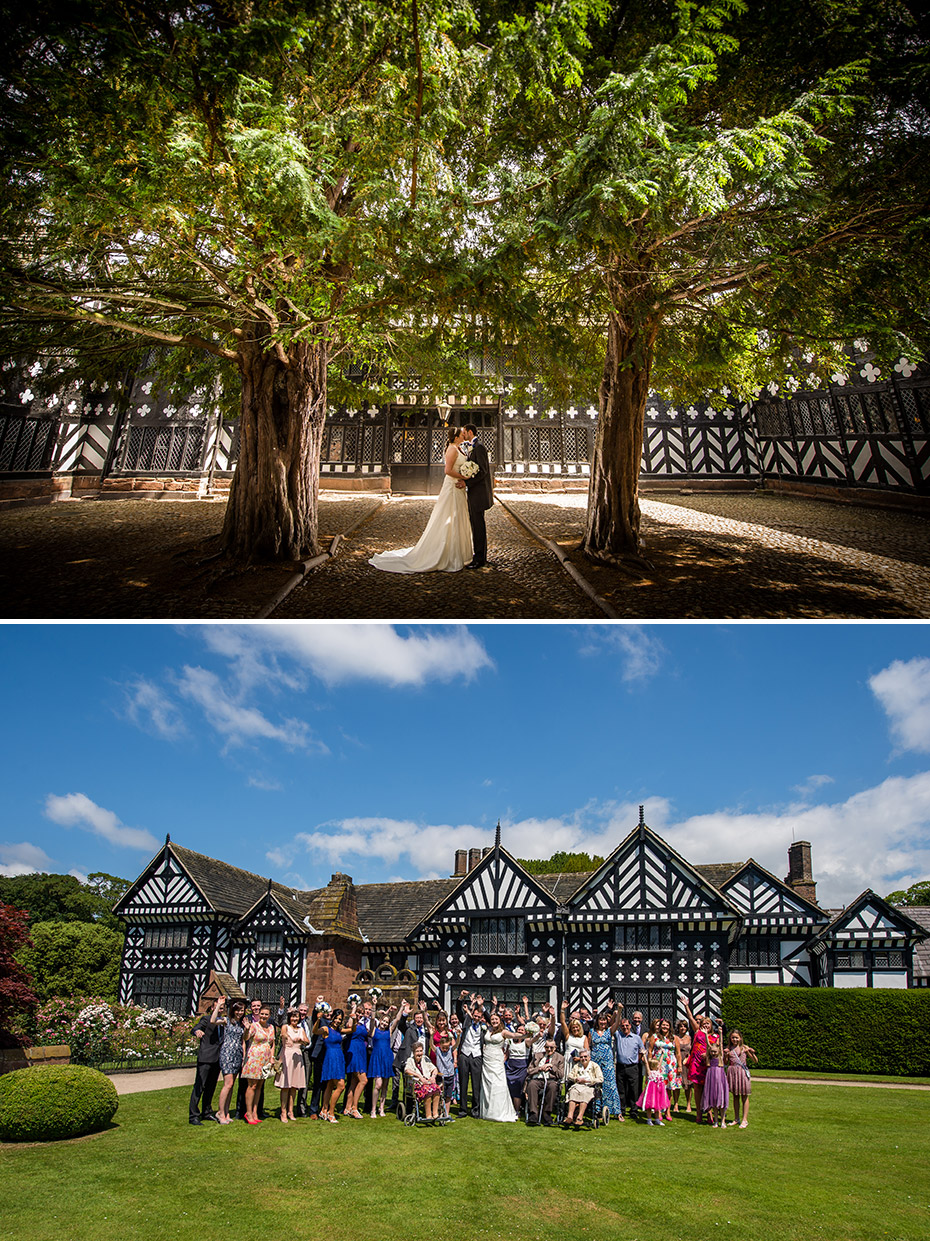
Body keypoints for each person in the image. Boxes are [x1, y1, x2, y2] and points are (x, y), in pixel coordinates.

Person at [369, 426, 473, 573]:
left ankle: (459, 553)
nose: (464, 436)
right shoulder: (452, 449)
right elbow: (448, 470)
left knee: (458, 517)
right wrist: (465, 477)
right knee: (448, 516)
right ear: (456, 437)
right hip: (452, 487)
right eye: (462, 434)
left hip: (459, 488)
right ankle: (446, 553)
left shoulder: (459, 448)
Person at [315, 1003, 356, 1123]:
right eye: (336, 1018)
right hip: (330, 1057)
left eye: (340, 1019)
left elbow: (352, 1030)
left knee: (330, 1086)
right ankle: (331, 1113)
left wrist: (353, 1019)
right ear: (332, 1017)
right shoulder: (326, 1029)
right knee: (341, 1086)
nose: (338, 1021)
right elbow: (316, 1031)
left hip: (339, 1057)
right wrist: (318, 1019)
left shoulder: (339, 1030)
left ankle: (324, 1109)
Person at [461, 424, 494, 569]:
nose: (463, 434)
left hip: (479, 492)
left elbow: (483, 471)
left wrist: (468, 482)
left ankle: (480, 558)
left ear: (470, 432)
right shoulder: (471, 447)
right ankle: (480, 555)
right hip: (474, 492)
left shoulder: (479, 447)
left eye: (464, 432)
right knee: (476, 524)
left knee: (478, 525)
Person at [189, 995, 224, 1125]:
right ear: (213, 1007)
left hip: (217, 1058)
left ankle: (206, 1112)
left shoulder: (223, 1021)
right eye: (218, 1006)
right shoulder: (206, 1019)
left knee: (211, 1086)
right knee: (200, 1086)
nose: (221, 1009)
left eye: (222, 1007)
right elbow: (195, 1028)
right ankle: (193, 1115)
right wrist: (197, 1031)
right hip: (206, 1057)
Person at [241, 1004, 276, 1125]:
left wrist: (272, 1057)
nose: (264, 1016)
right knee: (252, 1085)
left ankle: (255, 1111)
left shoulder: (271, 1027)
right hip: (254, 1058)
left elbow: (272, 1043)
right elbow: (246, 1037)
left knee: (260, 1086)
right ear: (258, 1014)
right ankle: (248, 1112)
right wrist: (246, 1028)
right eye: (262, 1014)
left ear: (269, 1015)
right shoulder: (254, 1026)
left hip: (265, 1059)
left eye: (266, 1014)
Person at [480, 1012, 518, 1122]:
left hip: (497, 1059)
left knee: (498, 1084)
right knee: (487, 1084)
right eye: (492, 1019)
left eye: (496, 1019)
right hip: (487, 1059)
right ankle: (487, 1111)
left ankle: (499, 1112)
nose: (494, 1021)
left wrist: (527, 1035)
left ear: (500, 1020)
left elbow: (514, 1035)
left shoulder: (504, 1031)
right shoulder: (487, 1029)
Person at [274, 1008, 308, 1123]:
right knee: (285, 1086)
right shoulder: (286, 1027)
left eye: (297, 1017)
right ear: (289, 1018)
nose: (295, 1019)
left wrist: (302, 1041)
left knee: (294, 1086)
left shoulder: (301, 1029)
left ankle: (290, 1111)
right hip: (287, 1056)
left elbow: (307, 1041)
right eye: (293, 1017)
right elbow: (283, 1034)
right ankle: (283, 1112)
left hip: (297, 1057)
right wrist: (288, 1037)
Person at [588, 1003, 623, 1117]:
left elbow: (617, 1023)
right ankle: (597, 1109)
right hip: (595, 1061)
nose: (602, 1022)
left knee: (610, 1085)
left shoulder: (609, 1032)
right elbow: (588, 1046)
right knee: (596, 1084)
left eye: (604, 1020)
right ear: (597, 1021)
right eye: (600, 1020)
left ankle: (616, 1111)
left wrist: (619, 1011)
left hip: (607, 1061)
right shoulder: (592, 1032)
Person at [369, 1007, 403, 1118]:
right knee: (378, 1084)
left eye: (386, 1022)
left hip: (387, 1058)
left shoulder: (389, 1031)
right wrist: (374, 1005)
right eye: (383, 1021)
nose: (384, 1023)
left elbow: (397, 1019)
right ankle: (373, 1109)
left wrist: (401, 1007)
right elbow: (373, 1019)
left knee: (384, 1086)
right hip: (377, 1058)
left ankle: (381, 1108)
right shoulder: (374, 1030)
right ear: (380, 1021)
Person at [216, 1000, 247, 1123]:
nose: (240, 1012)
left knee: (231, 1085)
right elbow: (213, 1021)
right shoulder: (226, 1021)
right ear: (233, 1010)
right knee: (227, 1084)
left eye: (242, 1010)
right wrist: (219, 1005)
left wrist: (243, 1056)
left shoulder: (241, 1024)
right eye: (238, 1010)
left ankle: (226, 1112)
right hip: (227, 1053)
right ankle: (220, 1113)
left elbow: (243, 1040)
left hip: (237, 1054)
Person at [456, 994, 486, 1117]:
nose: (476, 1018)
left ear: (481, 1017)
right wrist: (460, 999)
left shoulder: (484, 1028)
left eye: (478, 1016)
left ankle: (475, 1110)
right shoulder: (466, 1021)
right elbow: (458, 1012)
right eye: (474, 1015)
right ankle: (462, 1110)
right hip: (464, 1054)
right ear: (472, 1015)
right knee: (463, 1083)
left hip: (477, 1056)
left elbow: (489, 1017)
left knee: (476, 1084)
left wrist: (481, 1005)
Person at [524, 1039, 564, 1126]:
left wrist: (552, 1067)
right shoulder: (537, 1055)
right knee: (531, 1085)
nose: (549, 1049)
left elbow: (560, 1075)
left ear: (555, 1048)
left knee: (553, 1087)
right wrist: (540, 1068)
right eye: (547, 1047)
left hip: (551, 1080)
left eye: (551, 1047)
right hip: (538, 1079)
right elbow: (529, 1071)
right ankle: (533, 1114)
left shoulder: (560, 1058)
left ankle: (547, 1114)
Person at [563, 1048, 603, 1129]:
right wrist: (575, 1079)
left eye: (585, 1056)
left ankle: (579, 1118)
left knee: (585, 1094)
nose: (583, 1059)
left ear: (589, 1057)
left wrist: (587, 1081)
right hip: (578, 1085)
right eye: (581, 1057)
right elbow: (570, 1075)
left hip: (589, 1086)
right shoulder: (577, 1066)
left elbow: (600, 1079)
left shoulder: (595, 1066)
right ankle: (570, 1116)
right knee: (572, 1092)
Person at [725, 1029, 757, 1128]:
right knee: (735, 1096)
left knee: (744, 1095)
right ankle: (736, 1118)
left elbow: (755, 1061)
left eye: (736, 1037)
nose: (735, 1039)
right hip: (733, 1072)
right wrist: (726, 1055)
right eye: (733, 1037)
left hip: (742, 1072)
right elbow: (726, 1063)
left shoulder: (744, 1048)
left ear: (740, 1038)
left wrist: (750, 1053)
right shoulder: (729, 1048)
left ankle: (745, 1119)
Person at [615, 1016, 645, 1121]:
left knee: (634, 1090)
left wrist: (637, 1060)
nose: (625, 1027)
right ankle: (622, 1110)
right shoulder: (618, 1035)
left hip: (633, 1067)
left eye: (627, 1025)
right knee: (621, 1089)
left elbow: (642, 1050)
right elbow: (612, 1025)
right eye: (622, 1026)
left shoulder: (636, 1038)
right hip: (620, 1067)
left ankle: (634, 1110)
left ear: (630, 1026)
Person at [404, 1042, 442, 1123]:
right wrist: (419, 1076)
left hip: (428, 1083)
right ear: (413, 1052)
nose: (419, 1053)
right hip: (417, 1084)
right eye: (417, 1051)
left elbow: (434, 1069)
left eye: (421, 1051)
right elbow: (407, 1070)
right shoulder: (410, 1060)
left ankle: (435, 1113)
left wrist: (433, 1076)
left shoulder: (425, 1059)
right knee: (427, 1090)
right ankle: (428, 1115)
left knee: (437, 1089)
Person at [653, 1017, 681, 1122]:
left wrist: (679, 1066)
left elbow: (678, 1053)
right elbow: (650, 1050)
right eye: (663, 1025)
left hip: (670, 1066)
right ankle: (659, 1110)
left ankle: (667, 1110)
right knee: (659, 1088)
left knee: (669, 1089)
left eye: (667, 1025)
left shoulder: (674, 1038)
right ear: (660, 1026)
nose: (665, 1027)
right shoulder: (655, 1037)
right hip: (659, 1065)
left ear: (670, 1027)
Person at [701, 1031, 729, 1127]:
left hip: (719, 1078)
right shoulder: (710, 1057)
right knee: (713, 1100)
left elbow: (720, 1043)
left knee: (720, 1099)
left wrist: (721, 1033)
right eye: (712, 1051)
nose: (713, 1053)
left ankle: (723, 1121)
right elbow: (708, 1044)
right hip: (711, 1077)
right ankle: (716, 1120)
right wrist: (705, 1035)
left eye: (715, 1051)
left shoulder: (720, 1057)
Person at [638, 1054, 670, 1126]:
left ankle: (657, 1119)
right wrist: (644, 1055)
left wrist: (662, 1054)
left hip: (658, 1091)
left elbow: (661, 1062)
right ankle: (649, 1119)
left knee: (658, 1106)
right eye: (658, 1065)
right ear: (654, 1066)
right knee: (649, 1106)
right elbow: (646, 1063)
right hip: (651, 1091)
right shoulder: (650, 1072)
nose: (659, 1065)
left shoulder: (658, 1071)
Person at [559, 1001, 588, 1079]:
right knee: (566, 1080)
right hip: (568, 1060)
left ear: (580, 1027)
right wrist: (562, 1010)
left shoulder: (584, 1037)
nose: (575, 1029)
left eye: (577, 1027)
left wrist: (580, 1058)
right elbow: (562, 1022)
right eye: (573, 1027)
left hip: (580, 1061)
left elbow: (587, 1053)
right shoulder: (568, 1036)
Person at [675, 1019, 692, 1113]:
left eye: (684, 1026)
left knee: (688, 1084)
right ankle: (676, 1103)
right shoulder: (675, 1037)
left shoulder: (689, 1038)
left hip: (687, 1062)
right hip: (677, 1061)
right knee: (677, 1084)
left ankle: (688, 1104)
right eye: (681, 1026)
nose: (683, 1028)